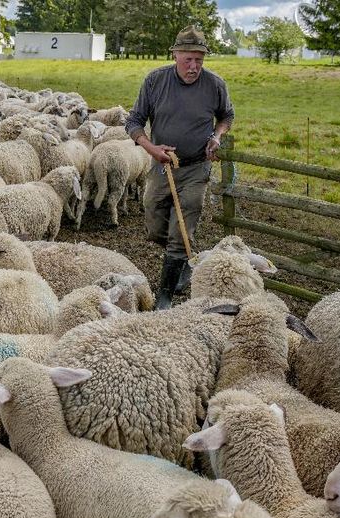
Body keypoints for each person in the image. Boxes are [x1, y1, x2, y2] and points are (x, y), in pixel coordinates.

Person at [124, 26, 235, 310]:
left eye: (199, 59)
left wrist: (216, 136)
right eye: (188, 59)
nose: (194, 66)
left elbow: (226, 116)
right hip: (162, 167)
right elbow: (134, 121)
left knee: (180, 233)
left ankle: (165, 296)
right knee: (155, 227)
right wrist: (152, 149)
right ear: (175, 55)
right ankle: (185, 259)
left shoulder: (215, 85)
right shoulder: (155, 82)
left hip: (196, 168)